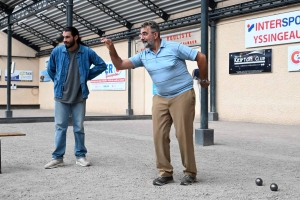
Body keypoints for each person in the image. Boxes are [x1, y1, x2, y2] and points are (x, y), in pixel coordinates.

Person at [101, 21, 210, 186]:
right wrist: (111, 48)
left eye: (144, 34)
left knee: (182, 135)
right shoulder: (144, 55)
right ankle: (165, 172)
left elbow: (200, 57)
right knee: (159, 135)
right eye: (140, 34)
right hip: (160, 97)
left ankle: (190, 173)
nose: (141, 37)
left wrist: (203, 79)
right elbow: (120, 64)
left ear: (155, 35)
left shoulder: (174, 47)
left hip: (182, 94)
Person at [45, 27, 107, 169]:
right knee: (60, 127)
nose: (65, 40)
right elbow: (51, 69)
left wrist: (86, 76)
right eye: (64, 37)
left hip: (79, 96)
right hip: (61, 96)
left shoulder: (87, 52)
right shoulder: (57, 51)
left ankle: (80, 156)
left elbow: (101, 65)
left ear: (76, 37)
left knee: (79, 128)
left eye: (67, 37)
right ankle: (57, 158)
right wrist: (58, 82)